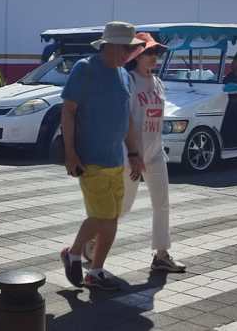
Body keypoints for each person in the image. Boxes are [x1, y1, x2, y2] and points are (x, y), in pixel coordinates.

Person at [83, 33, 186, 272]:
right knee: (123, 207)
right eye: (148, 52)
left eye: (156, 53)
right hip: (131, 155)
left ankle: (161, 254)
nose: (153, 57)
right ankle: (93, 239)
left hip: (155, 153)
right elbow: (123, 118)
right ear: (136, 55)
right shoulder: (128, 80)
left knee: (162, 204)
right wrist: (132, 153)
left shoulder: (158, 83)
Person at [59, 21, 145, 291]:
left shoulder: (124, 75)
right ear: (108, 46)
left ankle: (94, 270)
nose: (129, 54)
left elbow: (126, 119)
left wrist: (134, 152)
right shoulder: (85, 69)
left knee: (111, 217)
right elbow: (68, 111)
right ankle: (74, 253)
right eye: (125, 48)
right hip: (90, 159)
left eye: (131, 49)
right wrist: (70, 153)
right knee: (103, 215)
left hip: (116, 159)